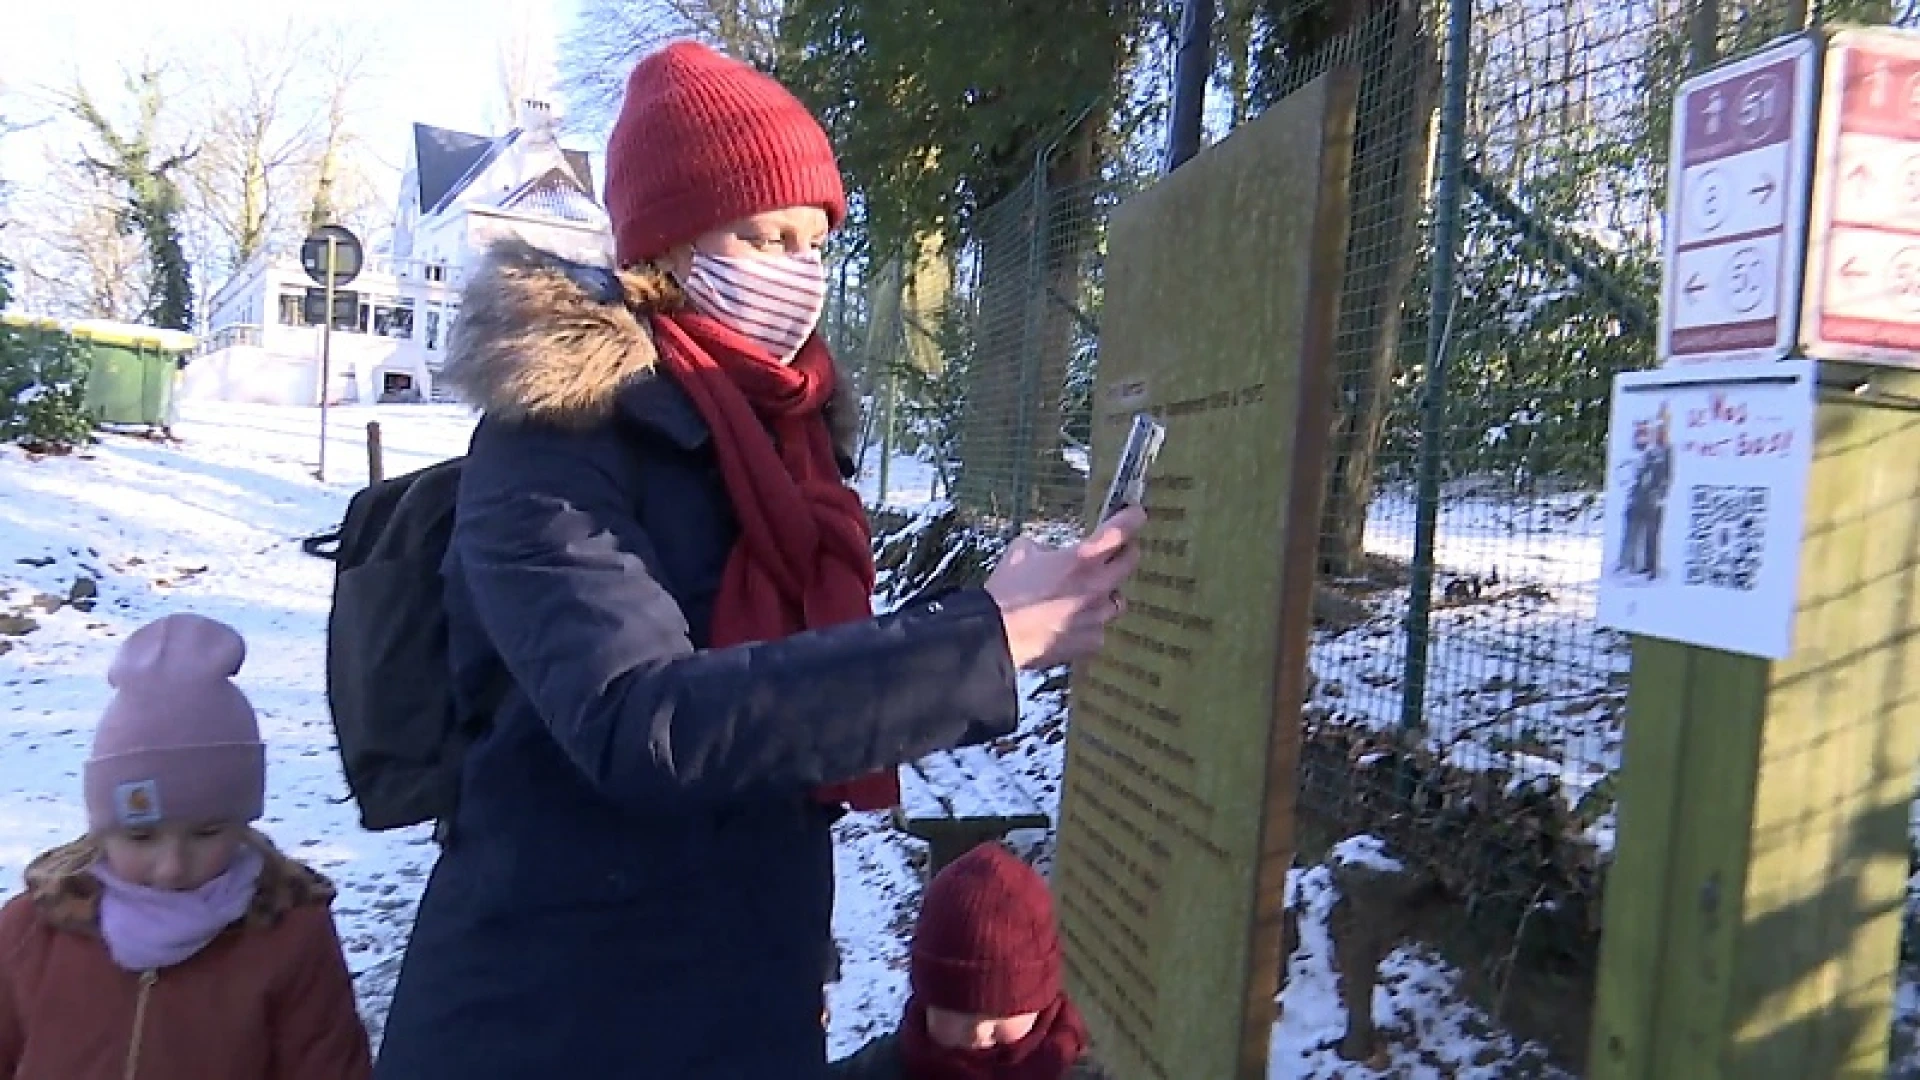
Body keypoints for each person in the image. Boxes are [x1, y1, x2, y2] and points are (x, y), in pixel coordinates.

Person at [371, 41, 1145, 1079]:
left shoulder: (791, 444)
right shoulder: (551, 439)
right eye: (761, 233)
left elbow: (798, 687)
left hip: (739, 998)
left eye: (813, 238)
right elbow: (644, 721)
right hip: (555, 1017)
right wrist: (986, 641)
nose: (795, 270)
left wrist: (988, 609)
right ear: (670, 243)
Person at [0, 613, 372, 1080]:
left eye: (207, 833)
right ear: (102, 828)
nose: (172, 867)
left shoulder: (286, 933)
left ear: (241, 823)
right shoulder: (32, 932)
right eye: (141, 837)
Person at [831, 843, 1110, 1080]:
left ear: (1041, 1000)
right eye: (956, 1011)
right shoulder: (886, 1068)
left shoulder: (1068, 1069)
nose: (978, 1034)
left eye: (1001, 1013)